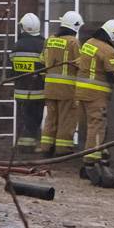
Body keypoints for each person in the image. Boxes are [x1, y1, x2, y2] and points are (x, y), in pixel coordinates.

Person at [76, 19, 114, 167]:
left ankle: (103, 152)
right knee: (97, 124)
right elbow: (112, 75)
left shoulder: (89, 43)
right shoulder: (109, 50)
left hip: (81, 91)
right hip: (96, 94)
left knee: (91, 124)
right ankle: (91, 159)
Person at [38, 11, 82, 156]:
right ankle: (62, 149)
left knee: (51, 117)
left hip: (50, 87)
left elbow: (42, 62)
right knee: (66, 118)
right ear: (74, 26)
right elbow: (80, 64)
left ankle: (46, 147)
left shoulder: (50, 40)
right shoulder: (73, 42)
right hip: (66, 89)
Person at [9, 13, 46, 152]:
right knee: (36, 117)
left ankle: (23, 145)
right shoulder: (43, 45)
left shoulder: (17, 46)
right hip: (38, 91)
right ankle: (31, 145)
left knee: (23, 117)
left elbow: (12, 68)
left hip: (20, 91)